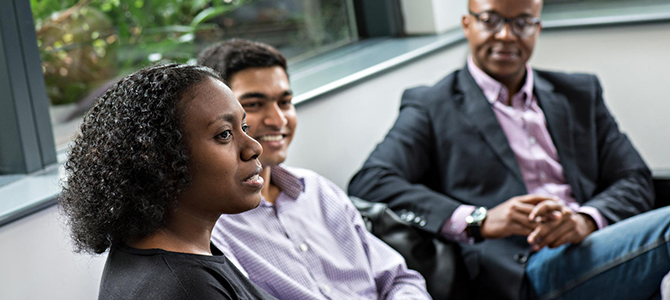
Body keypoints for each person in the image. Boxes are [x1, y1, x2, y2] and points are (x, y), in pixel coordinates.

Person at [348, 0, 670, 299]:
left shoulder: (579, 93)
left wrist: (585, 219)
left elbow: (634, 177)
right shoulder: (432, 106)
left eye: (522, 23)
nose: (505, 35)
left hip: (595, 245)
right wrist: (478, 220)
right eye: (490, 20)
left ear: (538, 28)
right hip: (521, 269)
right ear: (466, 24)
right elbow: (371, 181)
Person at [197, 39, 431, 300]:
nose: (278, 120)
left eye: (285, 102)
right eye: (253, 105)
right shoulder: (213, 228)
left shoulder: (318, 191)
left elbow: (399, 279)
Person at [60, 63, 277, 300]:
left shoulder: (148, 253)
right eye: (224, 134)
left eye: (244, 127)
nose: (254, 147)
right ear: (162, 160)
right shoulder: (190, 288)